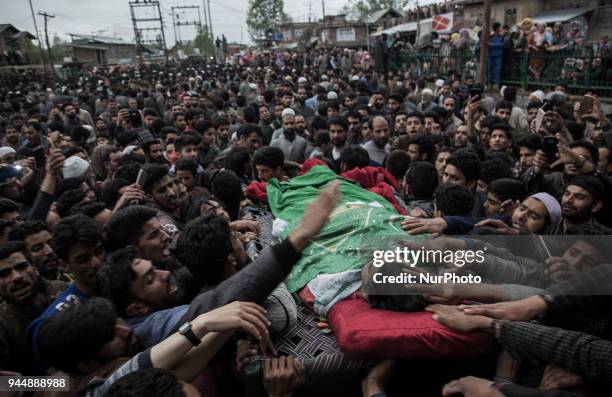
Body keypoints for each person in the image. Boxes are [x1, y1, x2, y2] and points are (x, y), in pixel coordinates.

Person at [0, 241, 67, 374]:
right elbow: (5, 385)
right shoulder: (2, 325)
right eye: (4, 274)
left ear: (35, 268)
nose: (17, 277)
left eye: (21, 267)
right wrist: (54, 384)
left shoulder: (62, 288)